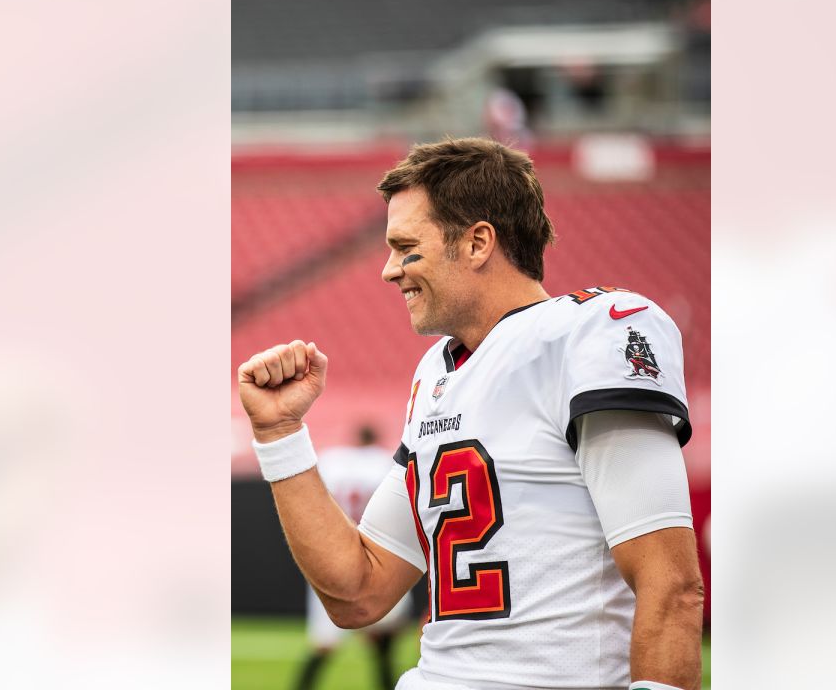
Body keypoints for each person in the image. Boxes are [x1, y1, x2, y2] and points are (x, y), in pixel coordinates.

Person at [238, 137, 704, 690]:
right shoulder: (440, 370)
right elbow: (359, 593)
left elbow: (672, 585)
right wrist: (280, 432)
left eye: (405, 246)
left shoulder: (589, 332)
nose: (390, 271)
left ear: (478, 241)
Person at [291, 423, 412, 690]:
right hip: (379, 552)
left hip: (336, 555)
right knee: (383, 640)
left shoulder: (334, 461)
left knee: (323, 645)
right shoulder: (384, 463)